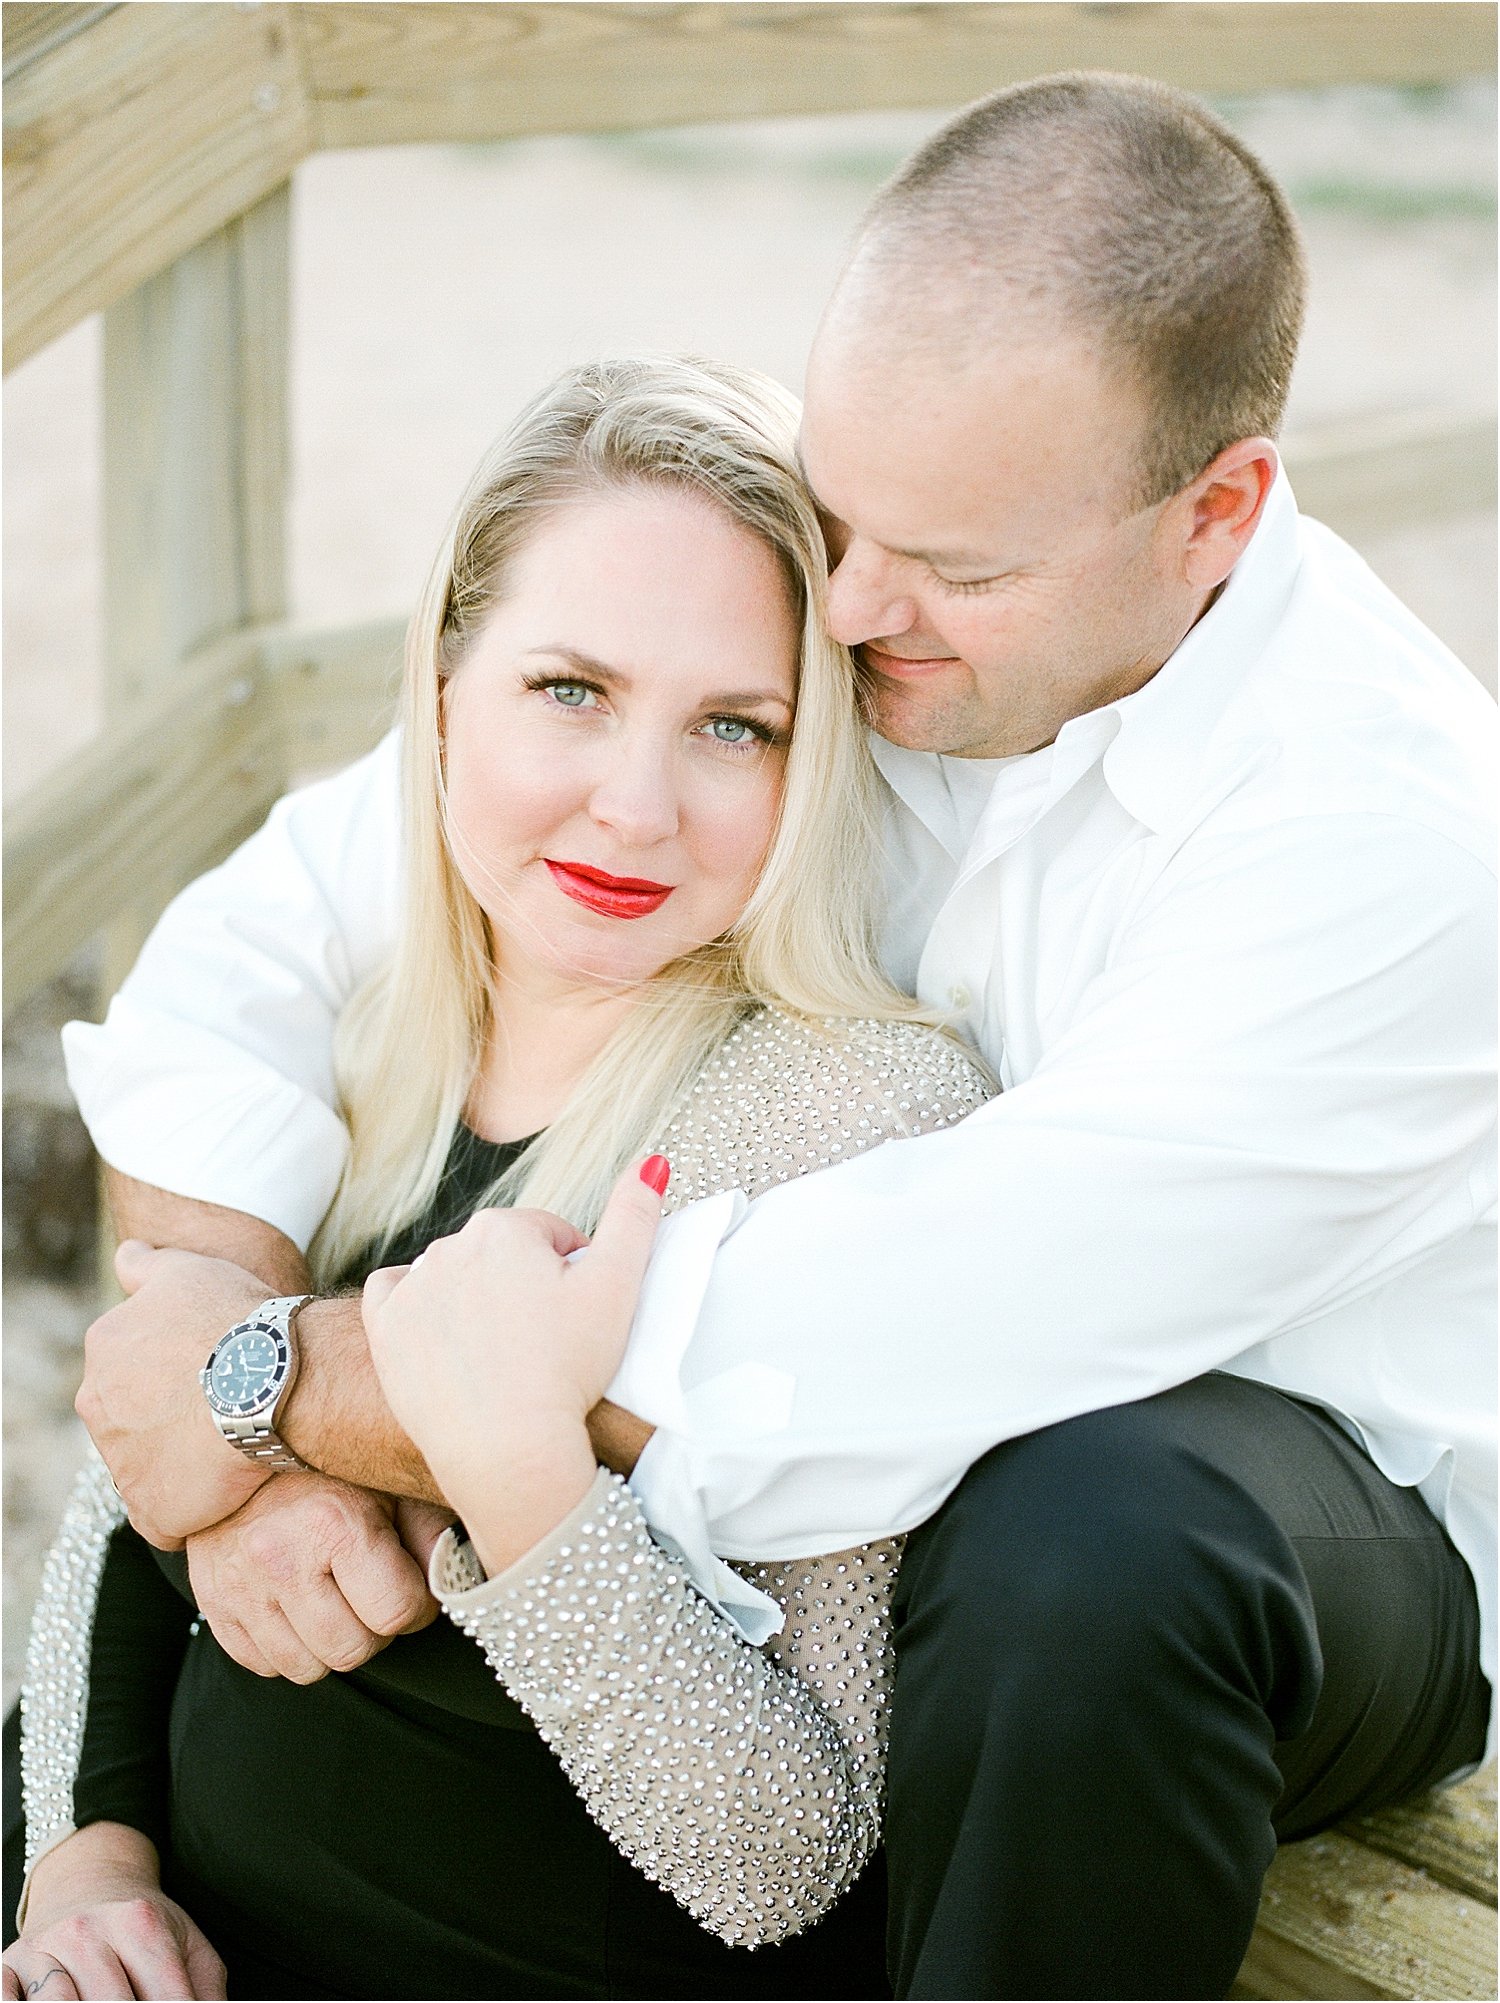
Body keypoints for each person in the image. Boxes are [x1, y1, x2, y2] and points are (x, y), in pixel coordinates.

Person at [31, 71, 1499, 2000]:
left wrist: (263, 1384)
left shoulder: (1389, 841)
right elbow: (293, 916)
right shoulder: (859, 595)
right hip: (810, 1410)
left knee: (1092, 1542)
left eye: (954, 568)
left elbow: (897, 1334)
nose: (857, 610)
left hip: (1306, 1507)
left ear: (1214, 512)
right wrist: (222, 1371)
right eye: (844, 513)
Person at [6, 354, 993, 2000]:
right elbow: (131, 1463)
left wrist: (520, 1490)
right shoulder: (351, 1041)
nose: (636, 806)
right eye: (570, 691)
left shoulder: (866, 1115)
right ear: (445, 683)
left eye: (732, 728)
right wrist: (85, 1868)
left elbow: (787, 1858)